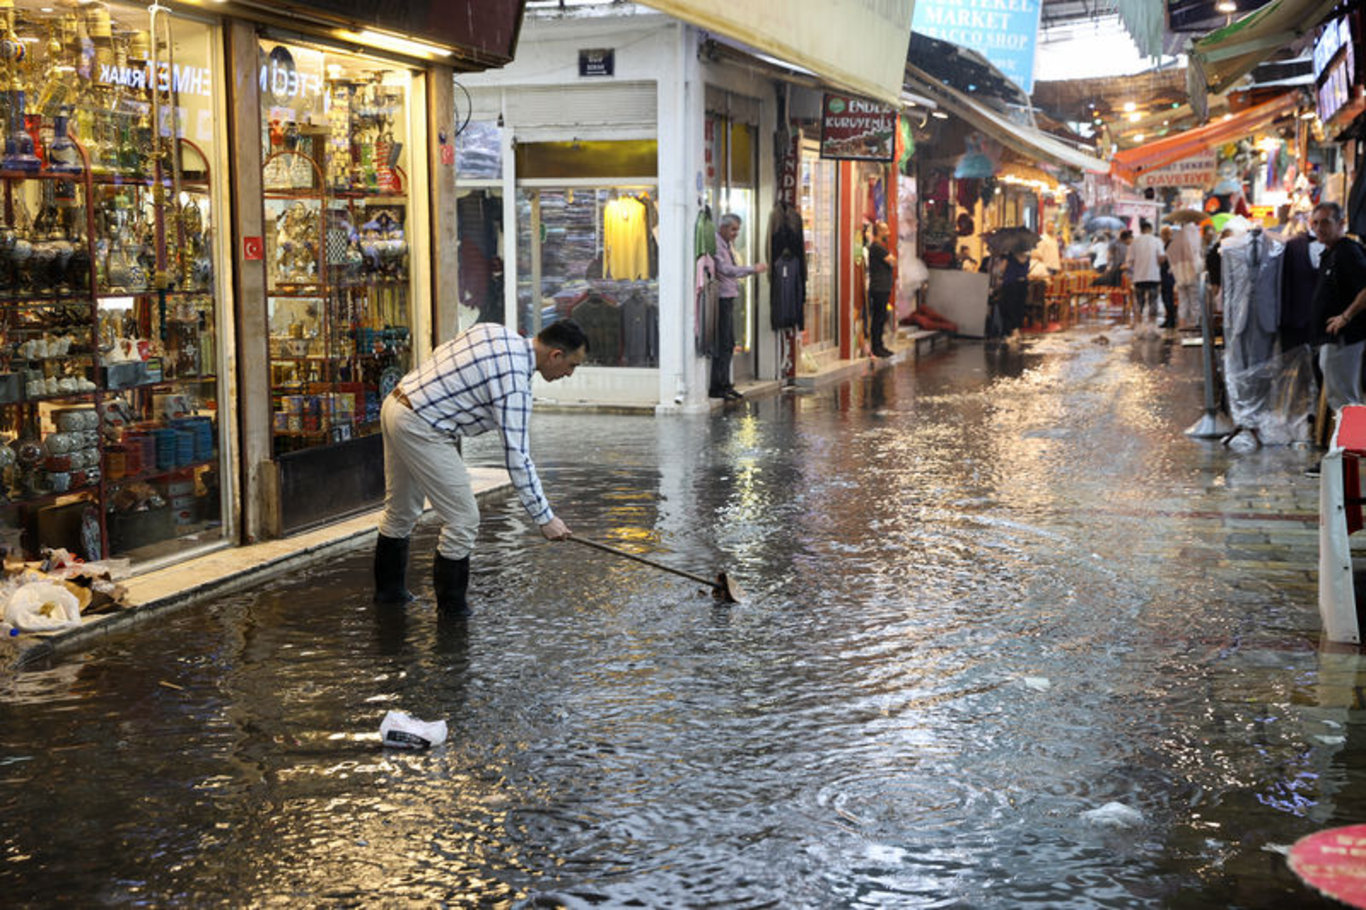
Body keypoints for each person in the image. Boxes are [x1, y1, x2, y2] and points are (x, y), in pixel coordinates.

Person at [373, 320, 589, 614]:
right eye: (571, 365)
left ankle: (389, 597)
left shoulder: (496, 332)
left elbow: (442, 351)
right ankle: (453, 614)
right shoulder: (515, 384)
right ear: (555, 355)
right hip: (422, 425)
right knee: (463, 519)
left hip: (396, 403)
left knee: (400, 510)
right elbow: (517, 457)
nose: (568, 374)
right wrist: (545, 518)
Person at [1315, 201, 1366, 421]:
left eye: (1325, 222)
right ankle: (1347, 451)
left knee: (1346, 401)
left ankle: (1351, 452)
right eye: (1315, 223)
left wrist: (1345, 317)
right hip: (1334, 338)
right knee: (1342, 400)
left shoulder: (1348, 252)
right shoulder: (1331, 253)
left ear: (1341, 224)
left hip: (1346, 338)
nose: (1319, 228)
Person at [710, 213, 768, 400]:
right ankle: (718, 385)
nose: (736, 233)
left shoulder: (727, 244)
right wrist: (752, 269)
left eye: (737, 230)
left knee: (728, 342)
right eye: (733, 229)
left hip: (729, 295)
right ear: (724, 228)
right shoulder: (718, 244)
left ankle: (726, 384)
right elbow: (725, 269)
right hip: (721, 298)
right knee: (724, 342)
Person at [866, 220, 896, 357]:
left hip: (883, 287)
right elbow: (893, 261)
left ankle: (880, 345)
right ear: (879, 233)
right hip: (878, 288)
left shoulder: (880, 247)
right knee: (878, 318)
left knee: (881, 317)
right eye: (886, 231)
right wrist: (892, 260)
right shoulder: (877, 248)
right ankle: (876, 346)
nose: (888, 234)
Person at [1125, 220, 1163, 324]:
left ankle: (1138, 327)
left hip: (1139, 277)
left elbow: (1130, 261)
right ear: (1150, 230)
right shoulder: (1157, 241)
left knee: (1139, 304)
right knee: (1153, 303)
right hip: (1154, 277)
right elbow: (1161, 258)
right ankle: (1151, 327)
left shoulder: (1134, 242)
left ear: (1141, 230)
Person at [1158, 225, 1177, 328]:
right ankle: (1168, 319)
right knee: (1165, 297)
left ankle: (1171, 320)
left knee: (1168, 297)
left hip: (1169, 274)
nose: (1163, 236)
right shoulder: (1165, 245)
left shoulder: (1171, 245)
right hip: (1164, 274)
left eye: (1165, 234)